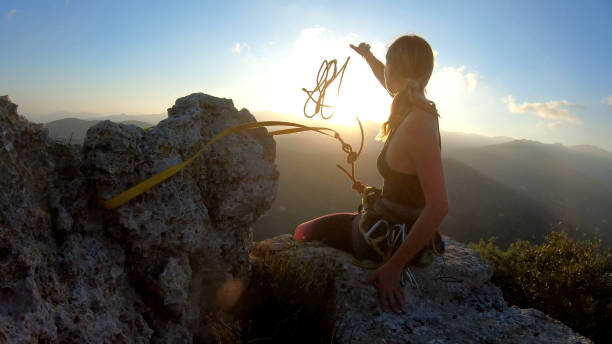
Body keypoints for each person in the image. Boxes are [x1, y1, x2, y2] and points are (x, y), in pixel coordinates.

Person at [293, 34, 448, 314]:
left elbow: (438, 207)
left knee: (303, 232)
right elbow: (388, 81)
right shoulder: (419, 108)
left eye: (388, 66)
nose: (385, 72)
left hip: (388, 239)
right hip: (397, 224)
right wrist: (368, 56)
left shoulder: (417, 124)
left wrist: (393, 267)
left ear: (395, 70)